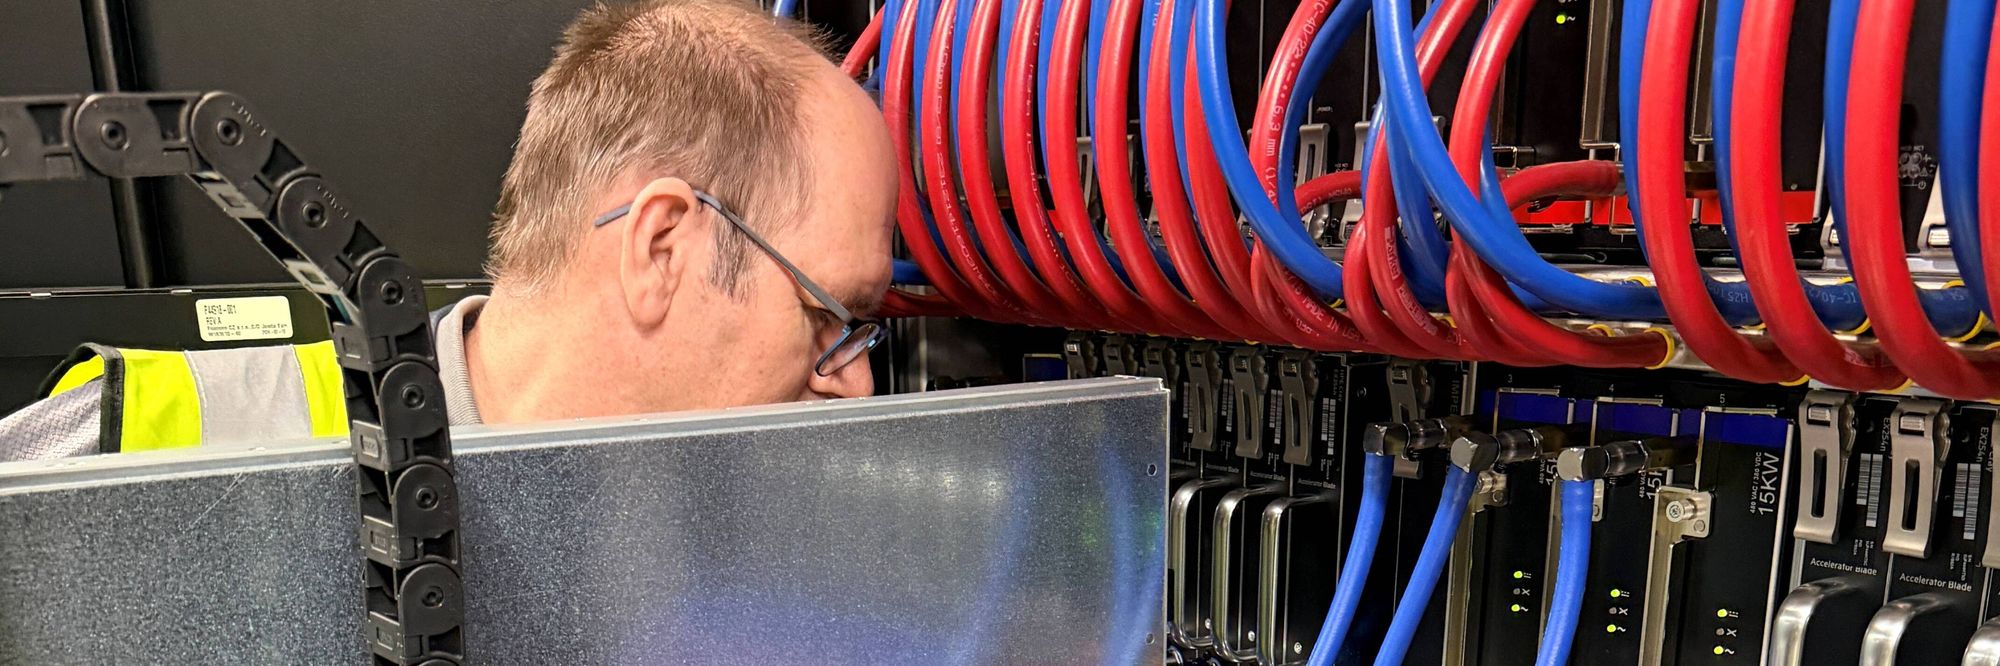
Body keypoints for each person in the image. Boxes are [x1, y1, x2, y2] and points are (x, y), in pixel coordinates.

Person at [0, 0, 897, 459]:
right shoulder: (137, 441)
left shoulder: (755, 540)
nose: (856, 387)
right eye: (829, 316)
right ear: (662, 247)